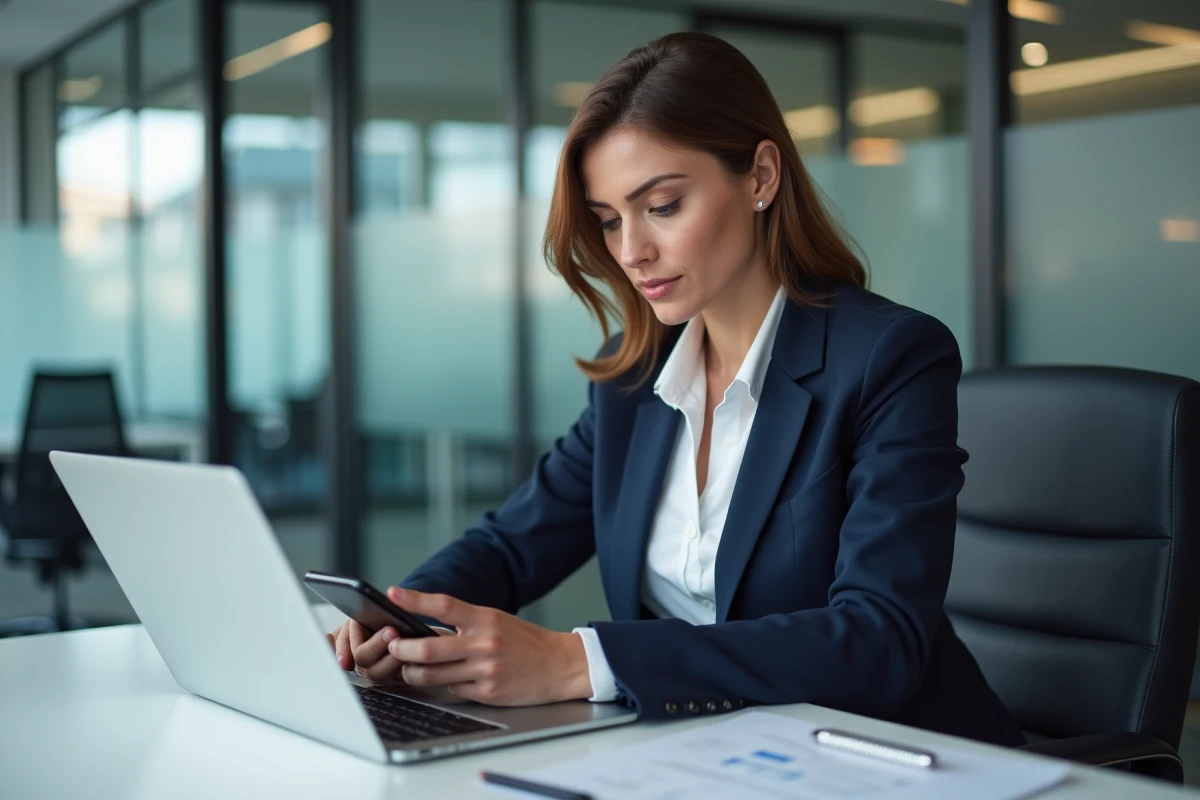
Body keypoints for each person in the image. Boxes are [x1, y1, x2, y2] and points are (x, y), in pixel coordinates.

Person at [329, 31, 1024, 746]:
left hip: (894, 757)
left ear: (759, 177)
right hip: (710, 755)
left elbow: (879, 641)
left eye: (661, 205)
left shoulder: (888, 357)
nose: (631, 251)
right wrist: (396, 618)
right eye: (608, 221)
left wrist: (580, 662)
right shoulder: (633, 378)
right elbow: (509, 548)